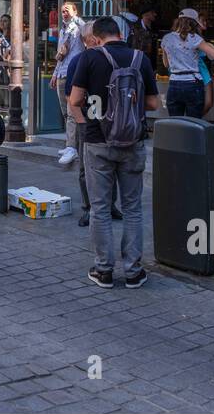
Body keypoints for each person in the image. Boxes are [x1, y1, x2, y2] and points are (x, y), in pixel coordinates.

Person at [68, 16, 161, 289]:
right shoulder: (139, 58)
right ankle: (133, 271)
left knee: (100, 209)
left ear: (96, 38)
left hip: (98, 141)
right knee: (132, 208)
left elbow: (74, 101)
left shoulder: (89, 58)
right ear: (120, 33)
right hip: (133, 141)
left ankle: (103, 270)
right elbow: (154, 103)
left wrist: (87, 126)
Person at [64, 20, 121, 227]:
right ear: (90, 39)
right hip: (88, 122)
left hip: (109, 121)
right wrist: (82, 123)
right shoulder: (80, 60)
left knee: (111, 165)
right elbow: (72, 97)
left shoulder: (108, 57)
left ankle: (110, 204)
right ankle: (89, 207)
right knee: (85, 169)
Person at [159, 10, 214, 119]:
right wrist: (207, 44)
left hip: (174, 83)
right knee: (193, 123)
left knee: (175, 123)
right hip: (192, 83)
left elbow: (166, 64)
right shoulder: (194, 38)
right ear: (193, 23)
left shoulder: (166, 38)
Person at [52, 2, 86, 167]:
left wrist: (76, 19)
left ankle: (72, 147)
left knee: (73, 112)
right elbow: (61, 54)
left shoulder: (79, 27)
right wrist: (54, 74)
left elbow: (87, 32)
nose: (64, 13)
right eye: (62, 11)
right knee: (66, 112)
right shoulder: (62, 30)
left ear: (75, 11)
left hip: (75, 73)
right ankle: (71, 144)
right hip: (62, 73)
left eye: (67, 10)